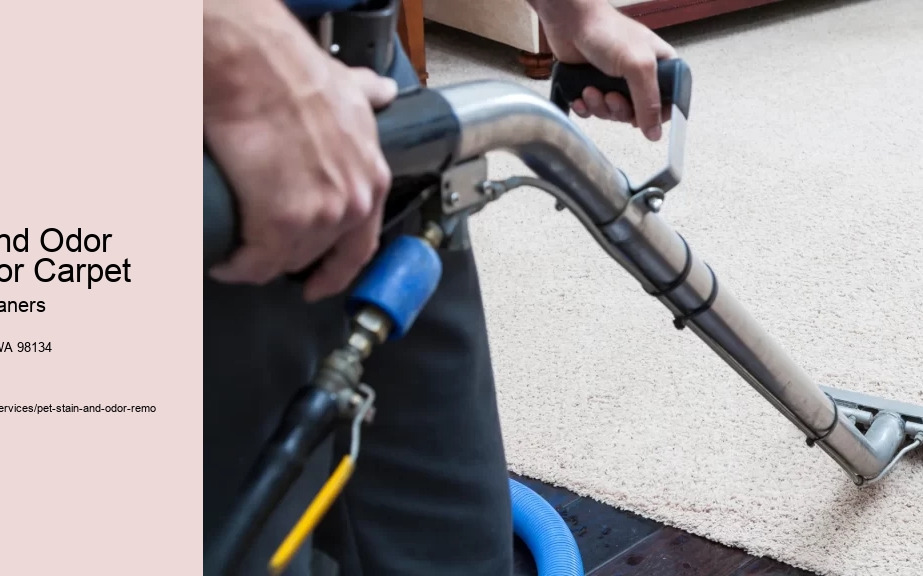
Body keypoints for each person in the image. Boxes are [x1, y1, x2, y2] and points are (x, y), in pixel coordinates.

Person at [203, 0, 675, 573]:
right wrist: (230, 43)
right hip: (216, 131)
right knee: (250, 544)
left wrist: (572, 13)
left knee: (457, 538)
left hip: (374, 80)